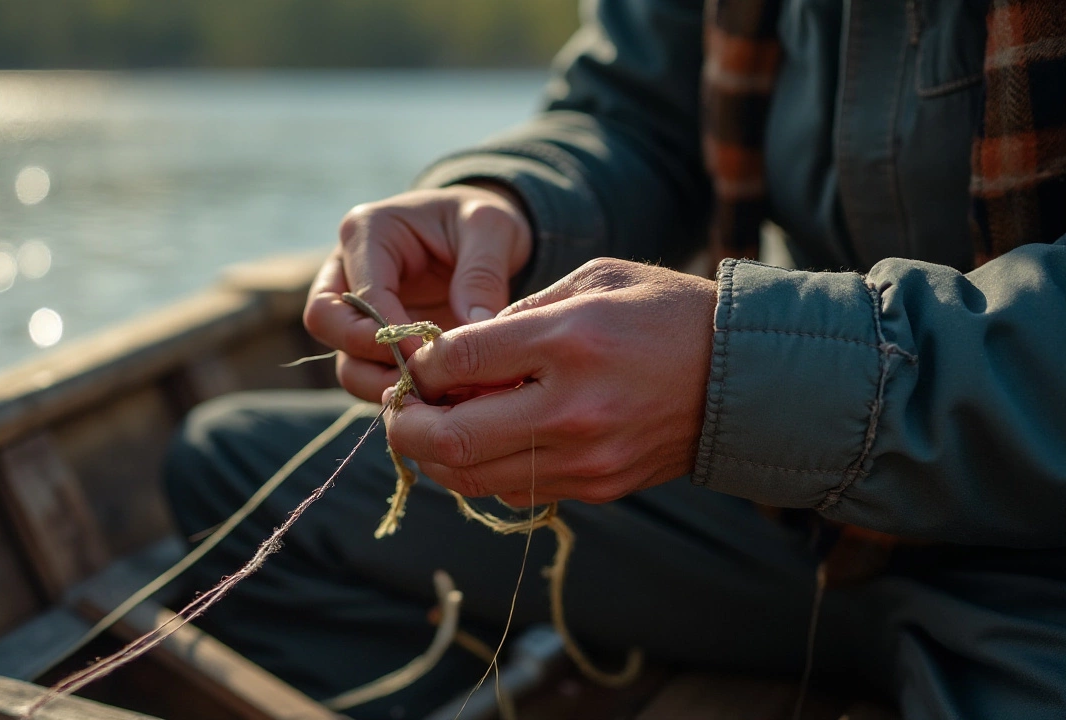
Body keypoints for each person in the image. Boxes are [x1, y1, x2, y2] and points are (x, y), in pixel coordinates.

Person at [164, 1, 1066, 717]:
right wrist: (507, 204)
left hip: (1038, 576)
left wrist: (738, 379)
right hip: (811, 522)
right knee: (238, 472)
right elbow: (637, 115)